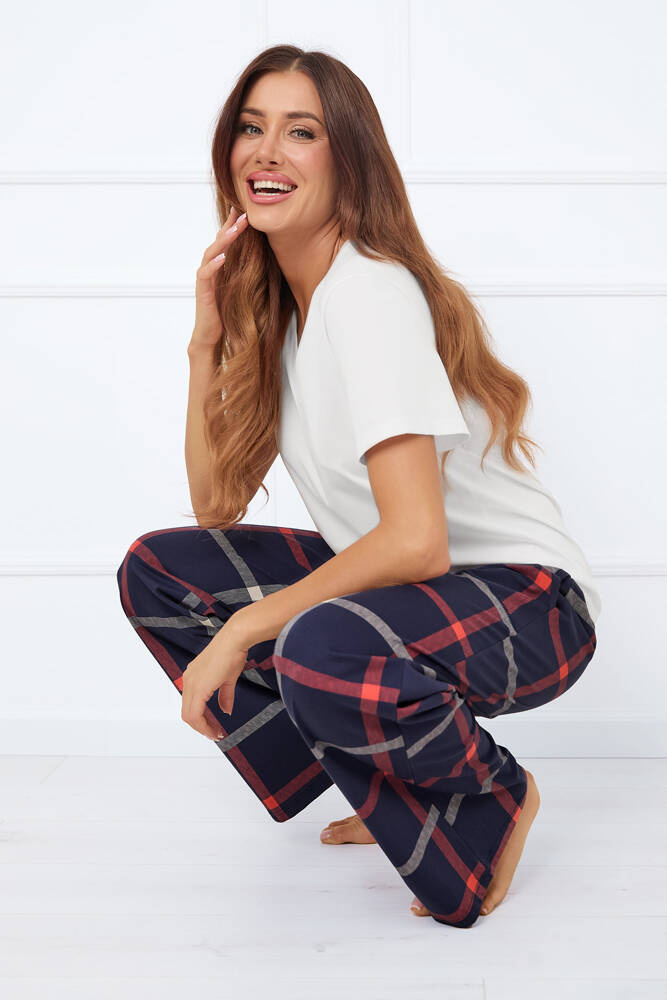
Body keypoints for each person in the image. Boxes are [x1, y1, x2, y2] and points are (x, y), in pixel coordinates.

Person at [116, 44, 600, 929]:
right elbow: (216, 506)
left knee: (317, 641)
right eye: (251, 128)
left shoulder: (367, 292)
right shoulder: (289, 315)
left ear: (348, 160)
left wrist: (249, 630)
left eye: (300, 132)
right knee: (163, 571)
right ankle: (389, 794)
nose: (267, 152)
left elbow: (416, 541)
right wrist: (205, 342)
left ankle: (493, 795)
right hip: (415, 597)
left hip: (530, 604)